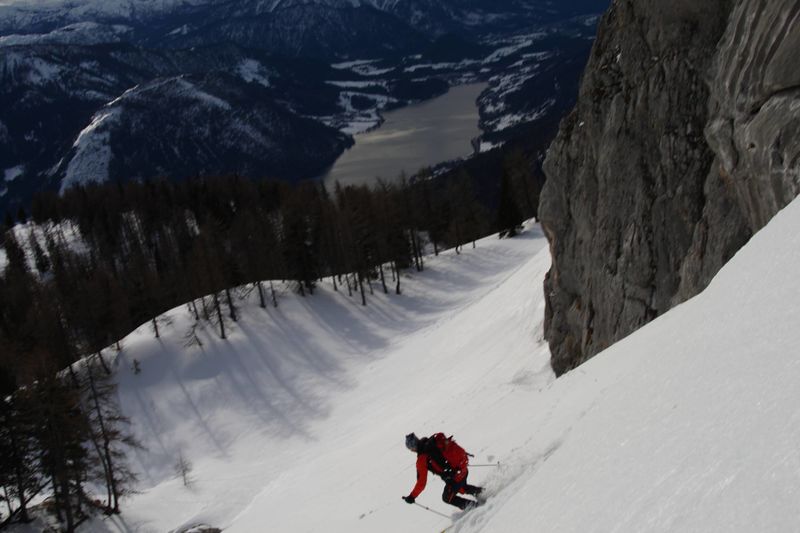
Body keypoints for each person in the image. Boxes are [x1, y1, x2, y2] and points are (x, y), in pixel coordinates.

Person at [402, 432, 483, 510]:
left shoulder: (422, 459)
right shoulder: (432, 442)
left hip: (455, 476)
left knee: (447, 498)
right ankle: (484, 492)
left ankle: (475, 508)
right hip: (462, 468)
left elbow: (421, 482)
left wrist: (412, 496)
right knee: (462, 488)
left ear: (412, 448)